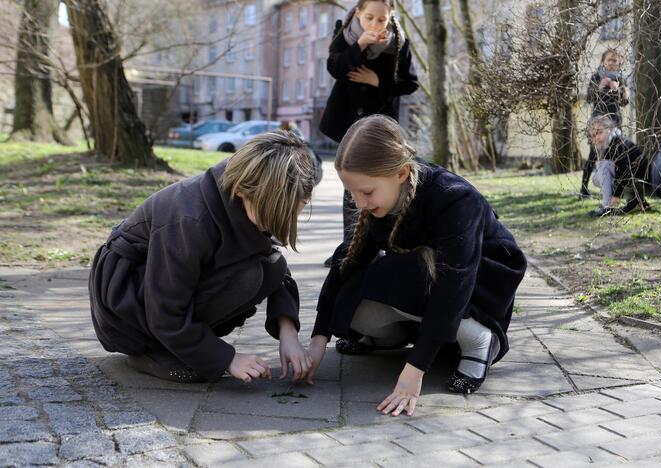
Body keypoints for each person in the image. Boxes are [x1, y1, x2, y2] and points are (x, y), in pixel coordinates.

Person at [306, 115, 527, 417]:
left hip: (481, 283)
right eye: (352, 192)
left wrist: (414, 371)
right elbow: (349, 258)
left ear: (401, 173)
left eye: (366, 192)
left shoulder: (455, 198)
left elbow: (454, 285)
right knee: (351, 296)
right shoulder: (382, 198)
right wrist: (319, 338)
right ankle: (396, 335)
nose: (358, 203)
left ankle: (478, 339)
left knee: (408, 275)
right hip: (427, 276)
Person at [88, 131, 318, 385]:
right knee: (248, 278)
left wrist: (288, 333)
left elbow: (277, 269)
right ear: (243, 191)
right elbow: (165, 311)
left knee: (271, 267)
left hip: (161, 299)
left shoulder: (242, 197)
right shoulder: (189, 220)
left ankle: (186, 345)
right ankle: (152, 350)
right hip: (126, 310)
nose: (276, 226)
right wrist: (227, 358)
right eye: (272, 215)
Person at [319, 0, 419, 266]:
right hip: (348, 122)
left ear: (390, 18)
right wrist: (360, 44)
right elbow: (335, 68)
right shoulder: (346, 33)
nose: (375, 24)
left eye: (381, 20)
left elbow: (410, 84)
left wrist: (378, 82)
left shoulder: (399, 42)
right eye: (369, 18)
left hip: (379, 125)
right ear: (358, 14)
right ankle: (349, 249)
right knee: (353, 188)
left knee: (383, 187)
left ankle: (383, 247)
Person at [580, 49, 630, 198]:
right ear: (603, 61)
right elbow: (589, 98)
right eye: (609, 60)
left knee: (617, 154)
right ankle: (583, 189)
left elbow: (625, 102)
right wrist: (600, 86)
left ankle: (613, 190)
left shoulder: (621, 80)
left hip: (614, 120)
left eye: (615, 60)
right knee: (594, 154)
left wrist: (618, 90)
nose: (612, 63)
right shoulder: (596, 77)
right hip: (598, 122)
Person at [585, 115, 651, 216]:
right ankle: (637, 201)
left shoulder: (618, 143)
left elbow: (624, 171)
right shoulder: (605, 145)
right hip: (632, 182)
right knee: (597, 176)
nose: (597, 137)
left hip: (642, 182)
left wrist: (616, 196)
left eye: (599, 132)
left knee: (604, 165)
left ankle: (606, 207)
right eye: (593, 135)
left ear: (608, 130)